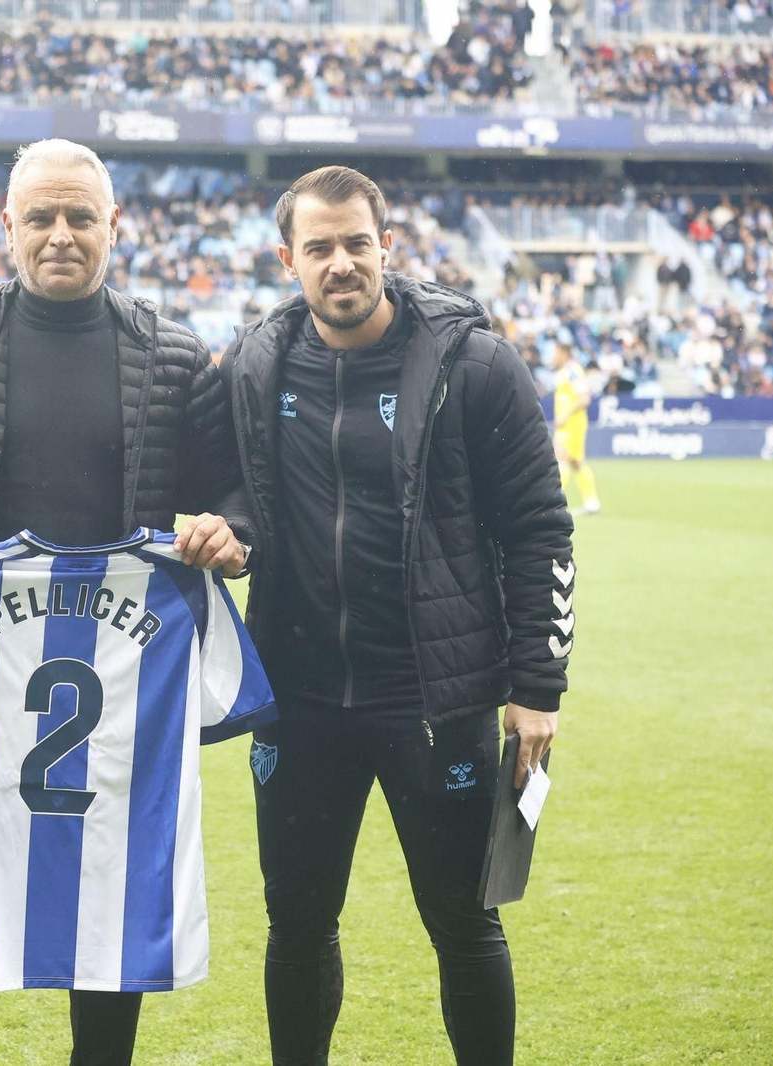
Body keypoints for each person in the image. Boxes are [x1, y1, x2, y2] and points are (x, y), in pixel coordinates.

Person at [0, 138, 256, 1066]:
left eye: (80, 217)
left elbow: (234, 492)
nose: (60, 234)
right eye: (40, 217)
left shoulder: (174, 356)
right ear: (7, 227)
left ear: (115, 225)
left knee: (112, 891)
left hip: (121, 685)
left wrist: (231, 533)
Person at [219, 166, 576, 1066]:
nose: (340, 263)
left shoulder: (473, 365)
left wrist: (538, 686)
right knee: (297, 924)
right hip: (298, 698)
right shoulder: (256, 364)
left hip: (435, 699)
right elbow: (231, 496)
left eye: (356, 243)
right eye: (319, 247)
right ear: (288, 260)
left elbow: (540, 528)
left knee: (465, 923)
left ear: (388, 246)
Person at [550, 341, 601, 514]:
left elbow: (584, 399)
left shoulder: (572, 371)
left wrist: (564, 416)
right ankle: (592, 502)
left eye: (556, 353)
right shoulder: (565, 371)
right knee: (576, 462)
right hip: (569, 424)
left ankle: (554, 502)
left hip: (571, 424)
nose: (553, 356)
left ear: (564, 352)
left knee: (561, 459)